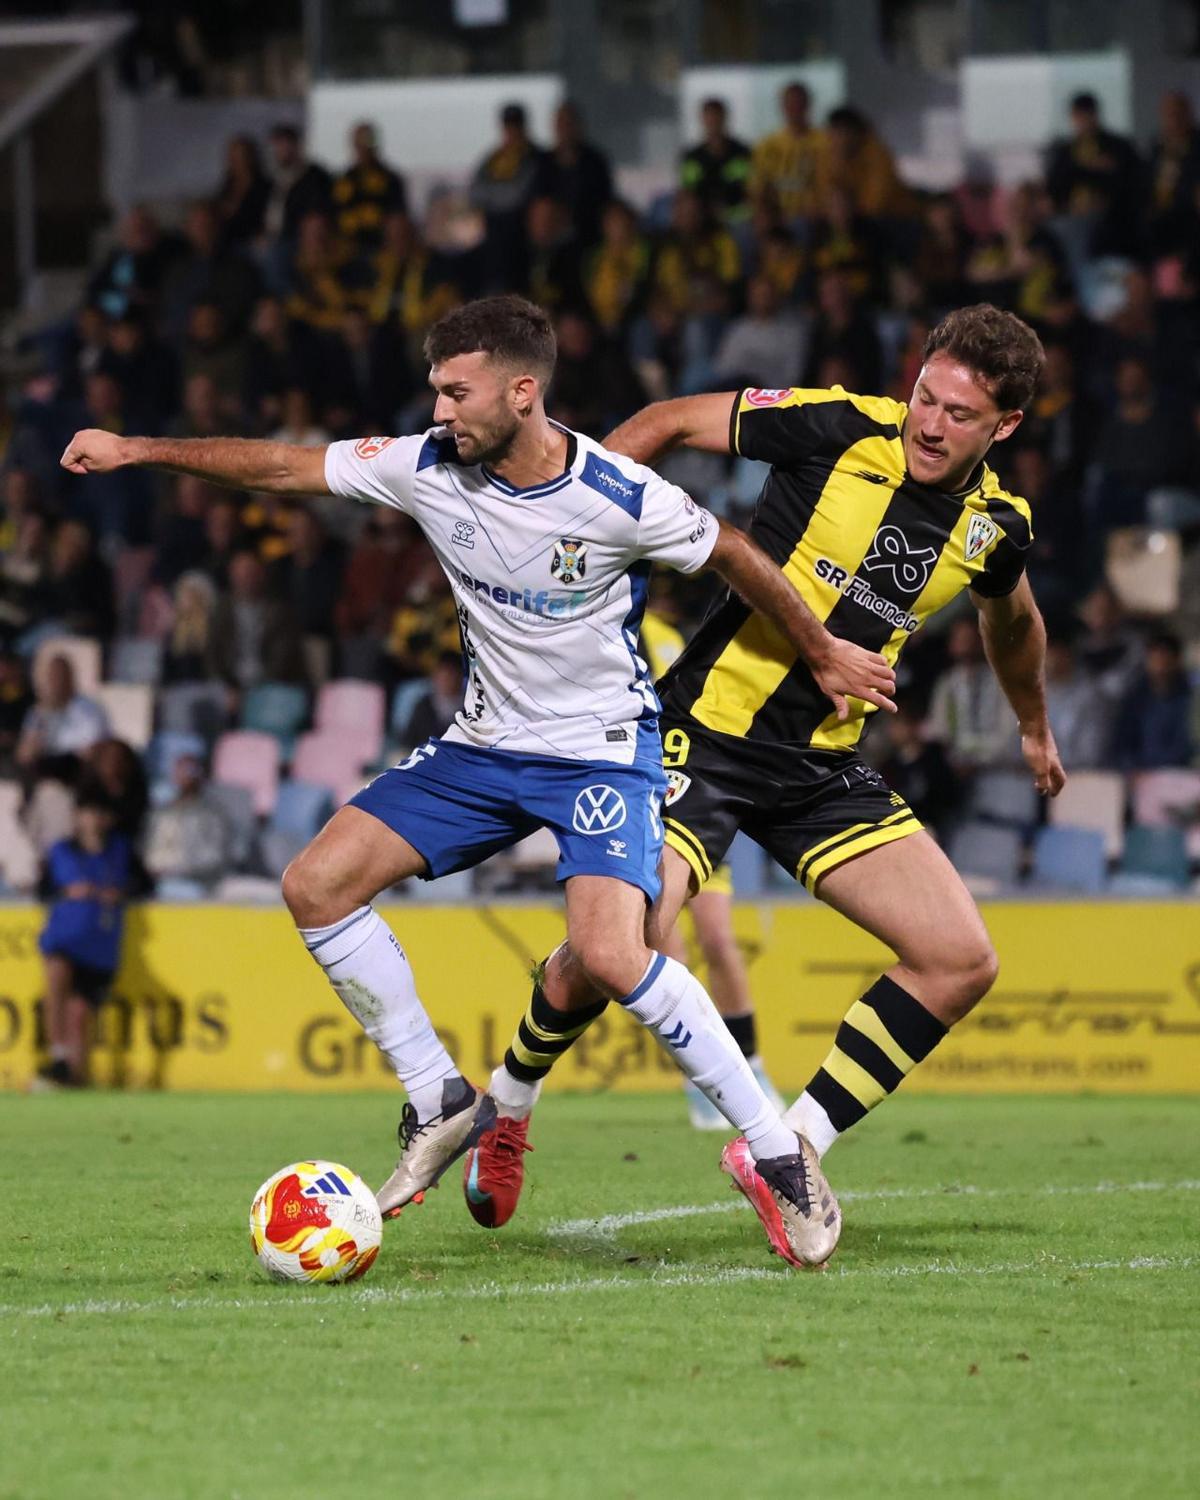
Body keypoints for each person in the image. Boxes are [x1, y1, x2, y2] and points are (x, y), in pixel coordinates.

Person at [60, 294, 895, 1266]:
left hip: (598, 750)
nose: (440, 408)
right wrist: (137, 450)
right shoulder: (424, 468)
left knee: (612, 954)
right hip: (484, 747)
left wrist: (824, 649)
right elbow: (287, 467)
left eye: (457, 391)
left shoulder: (619, 496)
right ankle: (440, 1097)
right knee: (315, 884)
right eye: (436, 389)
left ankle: (775, 1154)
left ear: (522, 391)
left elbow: (737, 555)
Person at [474, 303, 1066, 1270]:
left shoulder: (997, 525)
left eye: (960, 415)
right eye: (926, 396)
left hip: (817, 767)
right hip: (699, 737)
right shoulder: (837, 422)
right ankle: (506, 1106)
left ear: (1003, 428)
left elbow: (1015, 626)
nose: (929, 423)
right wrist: (561, 528)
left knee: (961, 958)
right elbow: (665, 423)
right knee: (618, 945)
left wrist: (1033, 726)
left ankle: (789, 1150)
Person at [639, 581, 782, 1131]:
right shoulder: (619, 630)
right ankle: (702, 1079)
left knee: (719, 941)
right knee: (667, 944)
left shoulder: (667, 637)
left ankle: (752, 1066)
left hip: (685, 797)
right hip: (644, 808)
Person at [34, 794, 134, 1088]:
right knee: (56, 976)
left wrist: (118, 893)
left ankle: (70, 1075)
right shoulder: (62, 851)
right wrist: (70, 892)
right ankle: (58, 1056)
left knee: (78, 1014)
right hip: (67, 936)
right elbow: (42, 891)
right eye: (88, 812)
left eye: (100, 813)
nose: (94, 820)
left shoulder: (120, 851)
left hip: (100, 944)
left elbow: (142, 883)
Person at [681, 97, 753, 226]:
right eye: (710, 118)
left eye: (717, 117)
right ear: (703, 120)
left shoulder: (742, 154)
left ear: (724, 118)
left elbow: (750, 188)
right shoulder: (692, 158)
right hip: (703, 220)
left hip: (739, 219)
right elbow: (688, 191)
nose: (714, 122)